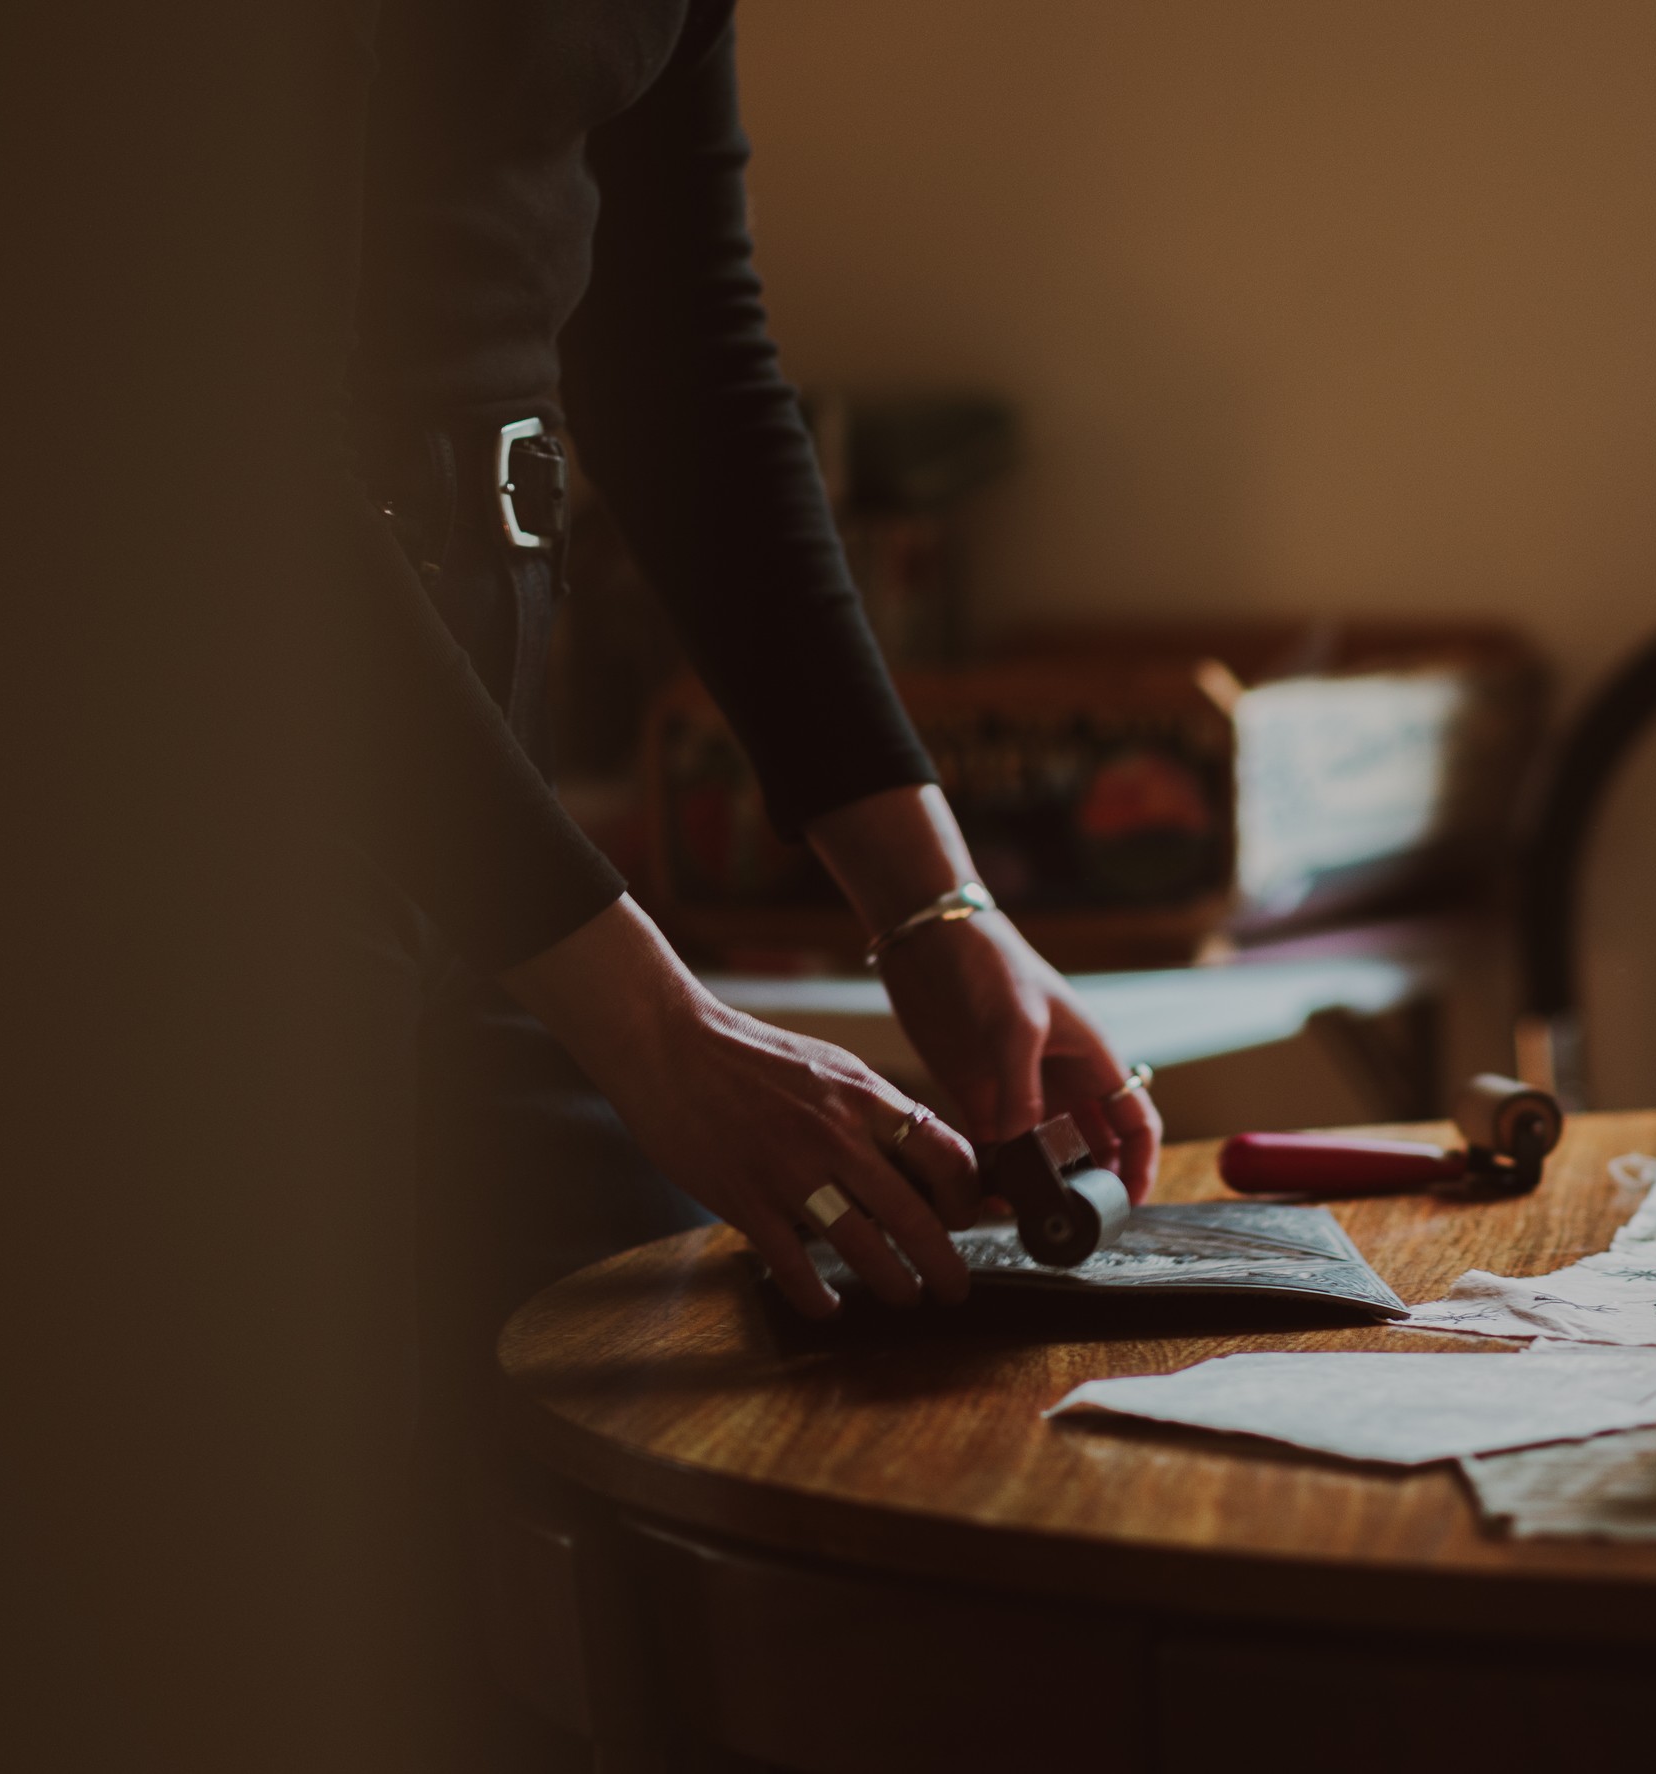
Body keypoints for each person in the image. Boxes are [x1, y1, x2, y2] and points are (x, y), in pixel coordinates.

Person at [337, 0, 1161, 1444]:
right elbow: (186, 423)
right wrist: (657, 1031)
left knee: (647, 1385)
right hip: (187, 765)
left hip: (475, 787)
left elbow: (685, 364)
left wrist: (938, 907)